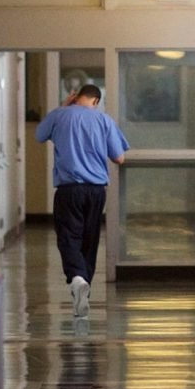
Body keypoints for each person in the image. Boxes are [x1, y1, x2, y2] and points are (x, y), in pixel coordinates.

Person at [36, 83, 128, 318]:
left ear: (76, 97)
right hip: (96, 190)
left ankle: (77, 279)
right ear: (96, 101)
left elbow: (39, 135)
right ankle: (83, 287)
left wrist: (63, 107)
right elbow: (119, 157)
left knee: (68, 236)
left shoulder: (59, 115)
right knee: (90, 238)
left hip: (69, 189)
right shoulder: (104, 120)